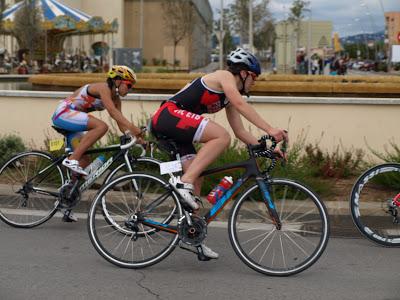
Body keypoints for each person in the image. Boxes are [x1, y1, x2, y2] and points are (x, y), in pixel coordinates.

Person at [150, 48, 288, 259]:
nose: (255, 82)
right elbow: (242, 105)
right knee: (221, 137)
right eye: (254, 77)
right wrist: (270, 130)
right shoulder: (224, 76)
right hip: (168, 115)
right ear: (243, 73)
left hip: (179, 130)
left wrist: (269, 149)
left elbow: (241, 132)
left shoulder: (229, 98)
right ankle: (182, 182)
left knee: (197, 179)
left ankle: (192, 237)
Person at [51, 65, 143, 221]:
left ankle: (66, 202)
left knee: (85, 161)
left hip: (75, 118)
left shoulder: (116, 98)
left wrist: (137, 138)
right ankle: (71, 159)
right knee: (101, 126)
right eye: (129, 85)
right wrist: (135, 128)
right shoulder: (103, 88)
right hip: (65, 113)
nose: (130, 89)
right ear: (118, 81)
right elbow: (113, 113)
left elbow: (119, 121)